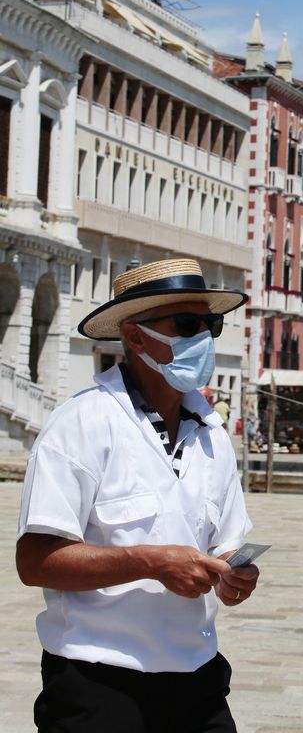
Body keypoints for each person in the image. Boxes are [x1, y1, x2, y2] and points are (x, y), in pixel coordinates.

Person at [16, 259, 257, 732]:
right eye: (188, 325)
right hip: (99, 684)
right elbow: (35, 561)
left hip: (198, 677)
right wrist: (149, 562)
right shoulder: (82, 423)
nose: (204, 338)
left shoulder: (212, 432)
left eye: (211, 324)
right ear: (136, 336)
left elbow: (224, 543)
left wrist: (234, 573)